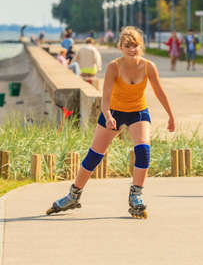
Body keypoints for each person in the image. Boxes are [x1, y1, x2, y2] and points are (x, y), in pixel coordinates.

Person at [47, 26, 175, 219]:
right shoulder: (114, 67)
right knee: (94, 155)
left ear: (141, 46)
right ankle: (73, 195)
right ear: (121, 47)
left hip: (138, 112)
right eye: (128, 46)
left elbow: (159, 92)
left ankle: (136, 196)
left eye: (135, 45)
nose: (132, 49)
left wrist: (171, 116)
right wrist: (108, 116)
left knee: (143, 151)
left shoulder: (149, 66)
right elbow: (105, 98)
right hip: (113, 112)